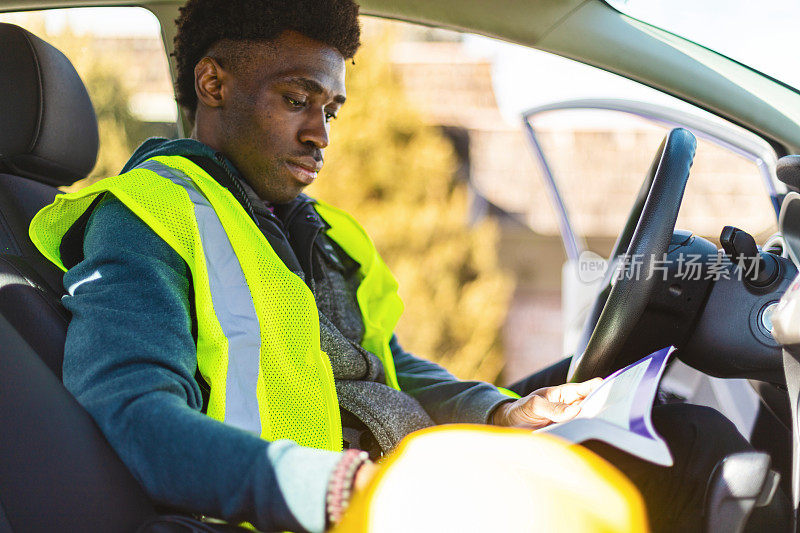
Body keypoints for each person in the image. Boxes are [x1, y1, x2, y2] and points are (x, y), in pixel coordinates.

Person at [28, 0, 789, 531]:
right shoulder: (144, 220)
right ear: (214, 83)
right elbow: (133, 414)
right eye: (298, 98)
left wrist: (501, 410)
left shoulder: (322, 234)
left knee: (675, 430)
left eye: (330, 108)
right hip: (308, 508)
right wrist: (325, 484)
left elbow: (389, 370)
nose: (319, 132)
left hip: (403, 473)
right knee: (696, 465)